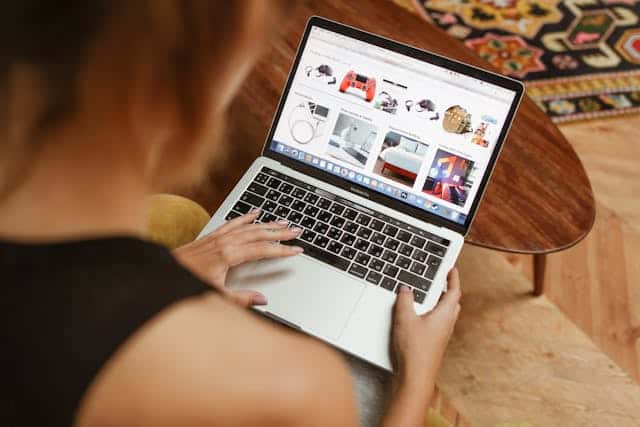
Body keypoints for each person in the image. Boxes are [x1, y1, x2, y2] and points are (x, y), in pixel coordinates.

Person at [0, 2, 462, 426]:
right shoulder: (295, 389)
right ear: (196, 72)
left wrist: (164, 276)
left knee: (183, 215)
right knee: (367, 378)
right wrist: (417, 378)